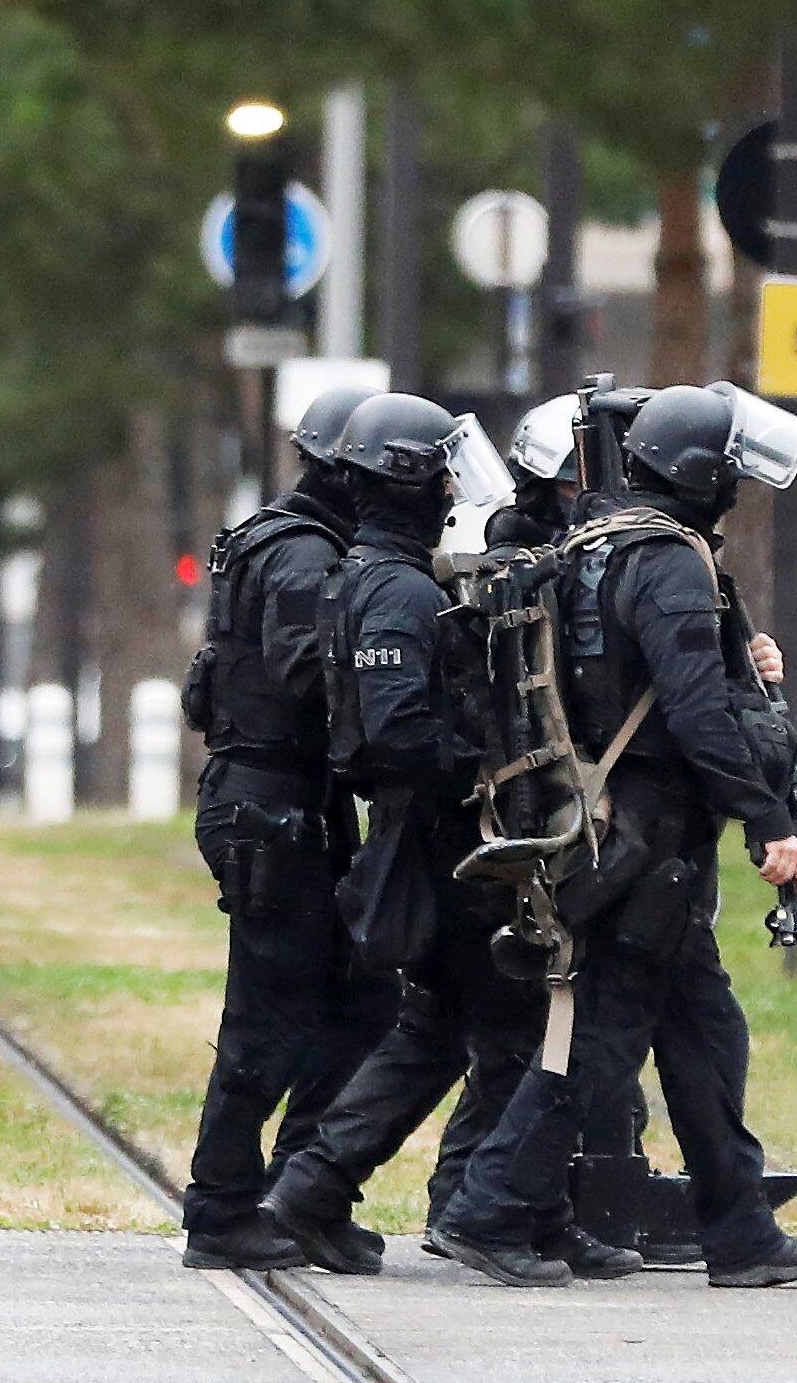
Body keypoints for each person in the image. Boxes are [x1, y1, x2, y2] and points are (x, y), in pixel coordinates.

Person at [431, 384, 797, 1290]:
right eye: (729, 470)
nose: (737, 485)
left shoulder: (591, 545)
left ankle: (739, 1232)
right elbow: (698, 712)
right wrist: (768, 821)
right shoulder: (668, 561)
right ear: (701, 473)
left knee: (703, 1031)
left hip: (611, 832)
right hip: (649, 840)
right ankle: (489, 1210)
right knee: (606, 1040)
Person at [266, 391, 629, 1278]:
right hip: (436, 838)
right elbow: (399, 731)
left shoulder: (381, 573)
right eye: (437, 472)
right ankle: (494, 1214)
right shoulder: (394, 588)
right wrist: (480, 760)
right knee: (514, 1022)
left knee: (437, 1030)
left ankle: (318, 1192)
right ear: (411, 479)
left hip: (424, 834)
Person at [174, 383, 390, 1273]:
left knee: (355, 998)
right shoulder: (302, 556)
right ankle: (224, 1208)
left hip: (280, 799)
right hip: (275, 805)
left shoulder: (274, 537)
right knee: (269, 1016)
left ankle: (294, 1190)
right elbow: (315, 678)